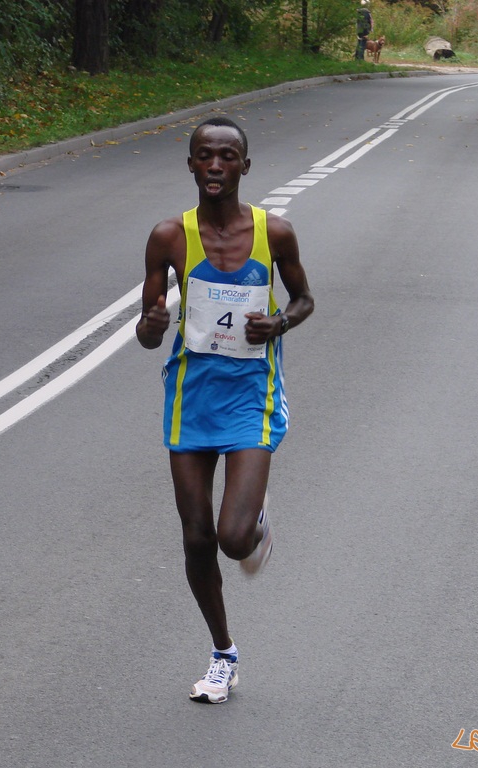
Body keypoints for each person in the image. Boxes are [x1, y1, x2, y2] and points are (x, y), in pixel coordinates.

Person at [135, 116, 314, 704]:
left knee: (232, 539)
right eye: (204, 156)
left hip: (251, 398)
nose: (216, 165)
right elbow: (148, 332)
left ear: (244, 166)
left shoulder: (275, 233)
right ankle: (222, 654)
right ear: (190, 165)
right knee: (194, 538)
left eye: (227, 156)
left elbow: (305, 298)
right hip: (190, 398)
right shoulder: (169, 238)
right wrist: (151, 323)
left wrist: (280, 321)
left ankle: (255, 521)